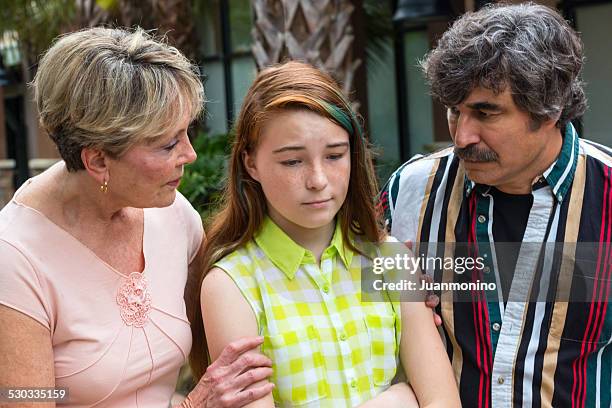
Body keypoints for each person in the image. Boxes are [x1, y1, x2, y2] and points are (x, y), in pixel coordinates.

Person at [0, 27, 273, 408]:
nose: (190, 154)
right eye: (168, 144)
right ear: (97, 160)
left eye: (186, 133)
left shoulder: (174, 215)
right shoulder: (13, 259)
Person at [186, 61, 461, 408]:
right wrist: (398, 400)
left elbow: (443, 401)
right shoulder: (232, 284)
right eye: (292, 162)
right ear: (250, 163)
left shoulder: (389, 261)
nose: (318, 180)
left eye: (334, 155)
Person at [380, 3, 611, 407]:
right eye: (454, 111)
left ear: (550, 107)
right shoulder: (409, 193)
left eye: (486, 113)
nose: (462, 136)